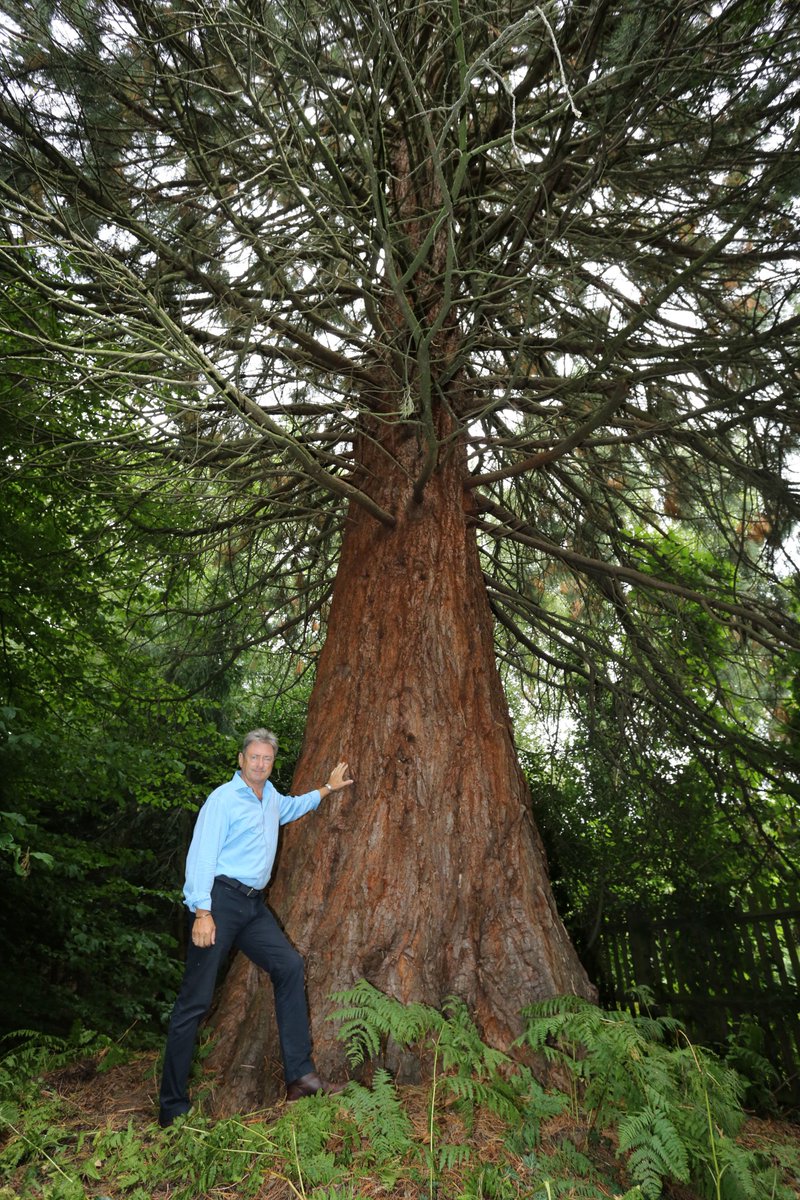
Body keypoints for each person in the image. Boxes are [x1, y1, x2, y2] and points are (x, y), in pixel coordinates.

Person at [158, 728, 354, 1127]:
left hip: (253, 908)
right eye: (255, 758)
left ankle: (300, 1077)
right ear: (241, 759)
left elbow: (293, 808)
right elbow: (201, 855)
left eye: (267, 758)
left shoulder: (270, 799)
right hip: (219, 903)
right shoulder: (224, 799)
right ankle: (172, 1107)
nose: (261, 764)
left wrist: (327, 790)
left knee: (289, 966)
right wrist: (201, 911)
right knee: (193, 1003)